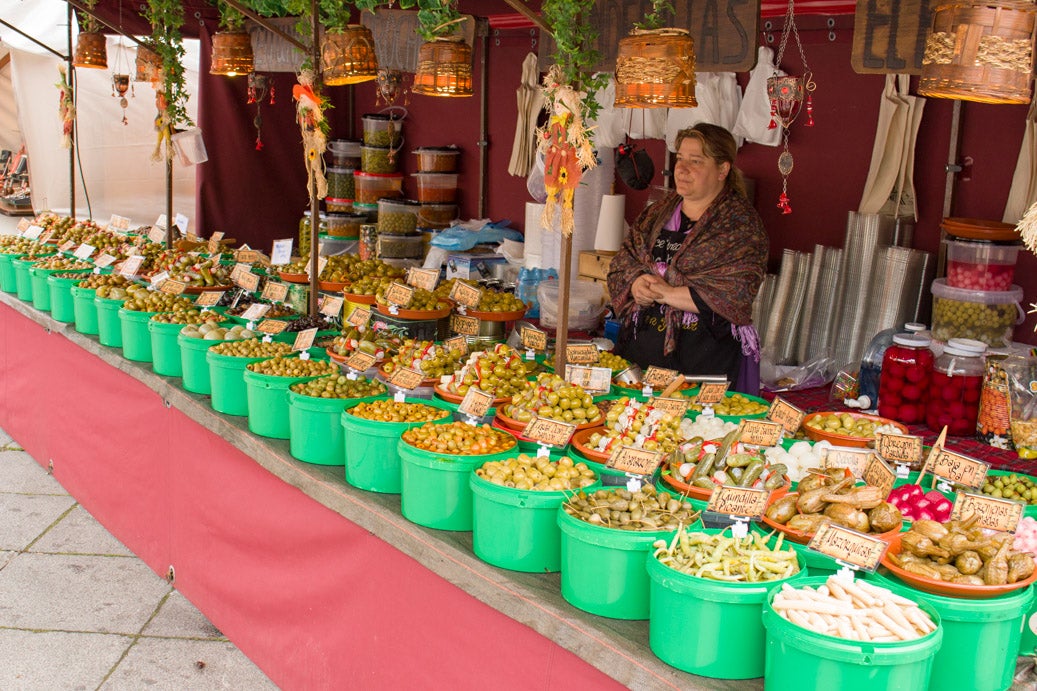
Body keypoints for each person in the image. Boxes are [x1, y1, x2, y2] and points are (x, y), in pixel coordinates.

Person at [607, 123, 768, 393]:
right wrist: (635, 284)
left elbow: (736, 293)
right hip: (642, 352)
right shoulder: (656, 213)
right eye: (680, 158)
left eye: (696, 161)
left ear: (722, 169)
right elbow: (623, 262)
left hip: (705, 360)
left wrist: (665, 293)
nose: (682, 169)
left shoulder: (740, 226)